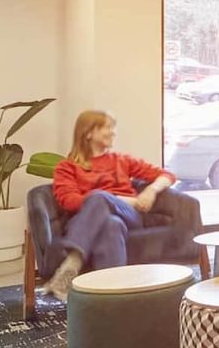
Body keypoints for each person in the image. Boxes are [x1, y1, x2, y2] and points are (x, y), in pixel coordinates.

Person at [43, 110, 176, 301]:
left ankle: (72, 262)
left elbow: (167, 175)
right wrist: (114, 198)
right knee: (110, 224)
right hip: (91, 219)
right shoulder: (67, 167)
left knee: (101, 199)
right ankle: (111, 295)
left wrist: (151, 190)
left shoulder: (121, 160)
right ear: (89, 132)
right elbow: (69, 201)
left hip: (129, 216)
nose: (113, 132)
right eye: (107, 127)